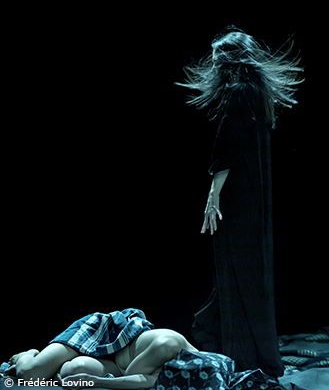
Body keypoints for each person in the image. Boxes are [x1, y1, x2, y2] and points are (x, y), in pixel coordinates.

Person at [176, 26, 303, 378]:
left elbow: (228, 145)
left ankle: (243, 354)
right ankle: (243, 348)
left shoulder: (240, 93)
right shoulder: (255, 92)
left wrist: (213, 194)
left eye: (217, 55)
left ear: (230, 59)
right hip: (250, 198)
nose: (213, 61)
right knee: (245, 272)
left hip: (238, 199)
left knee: (236, 270)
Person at [4, 309, 197, 389]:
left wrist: (93, 380)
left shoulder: (190, 374)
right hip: (107, 335)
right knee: (29, 374)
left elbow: (147, 380)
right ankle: (27, 355)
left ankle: (53, 366)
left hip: (118, 365)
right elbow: (136, 376)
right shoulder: (169, 345)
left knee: (75, 371)